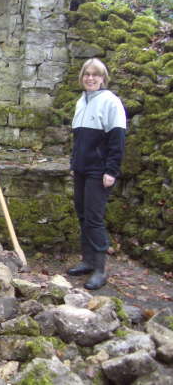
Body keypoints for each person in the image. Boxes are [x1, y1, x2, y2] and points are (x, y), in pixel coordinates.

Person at [67, 58, 126, 290]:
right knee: (82, 214)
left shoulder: (111, 102)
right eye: (86, 74)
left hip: (99, 172)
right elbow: (78, 140)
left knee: (94, 218)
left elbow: (117, 140)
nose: (90, 78)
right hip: (81, 169)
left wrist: (111, 170)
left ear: (103, 78)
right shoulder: (81, 101)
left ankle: (100, 269)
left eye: (95, 75)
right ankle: (87, 260)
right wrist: (74, 163)